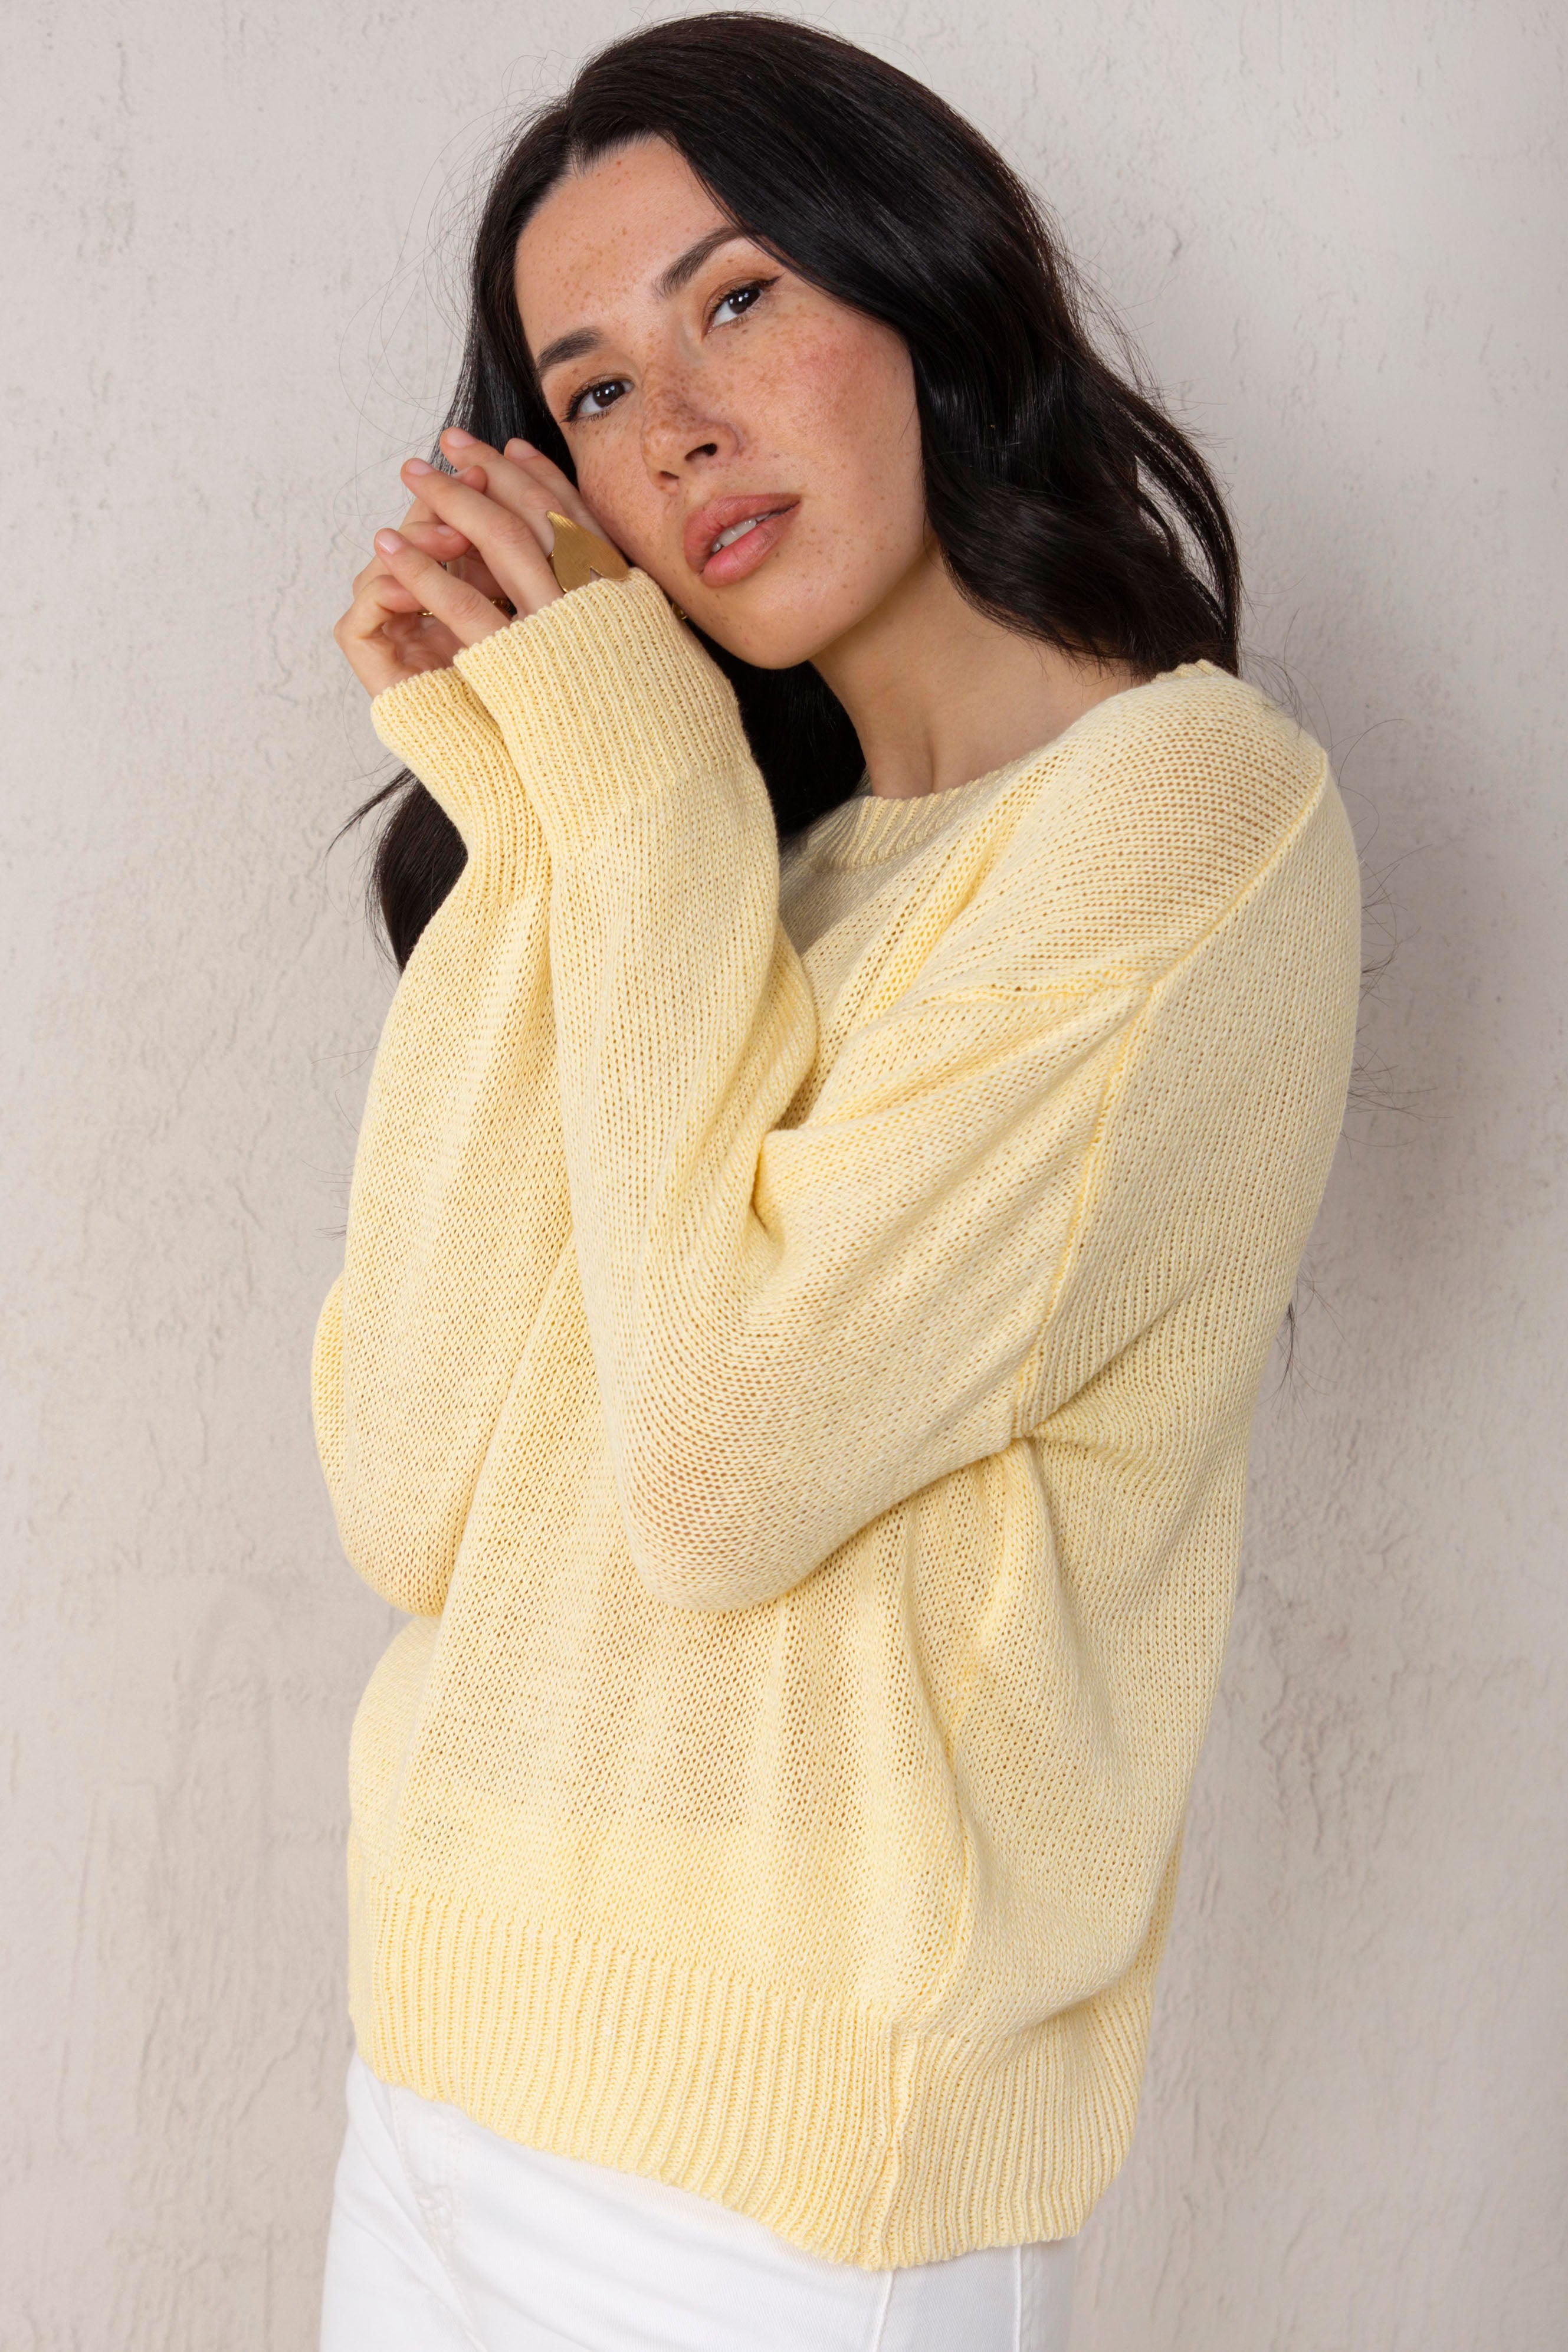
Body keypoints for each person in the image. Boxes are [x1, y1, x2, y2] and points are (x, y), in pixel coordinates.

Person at [315, 14, 1361, 2348]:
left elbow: (720, 1466)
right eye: (593, 388)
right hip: (431, 2085)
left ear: (925, 278)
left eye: (736, 297)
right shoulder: (712, 855)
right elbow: (406, 1487)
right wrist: (530, 809)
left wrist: (627, 778)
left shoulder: (1182, 815)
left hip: (780, 2203)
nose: (675, 424)